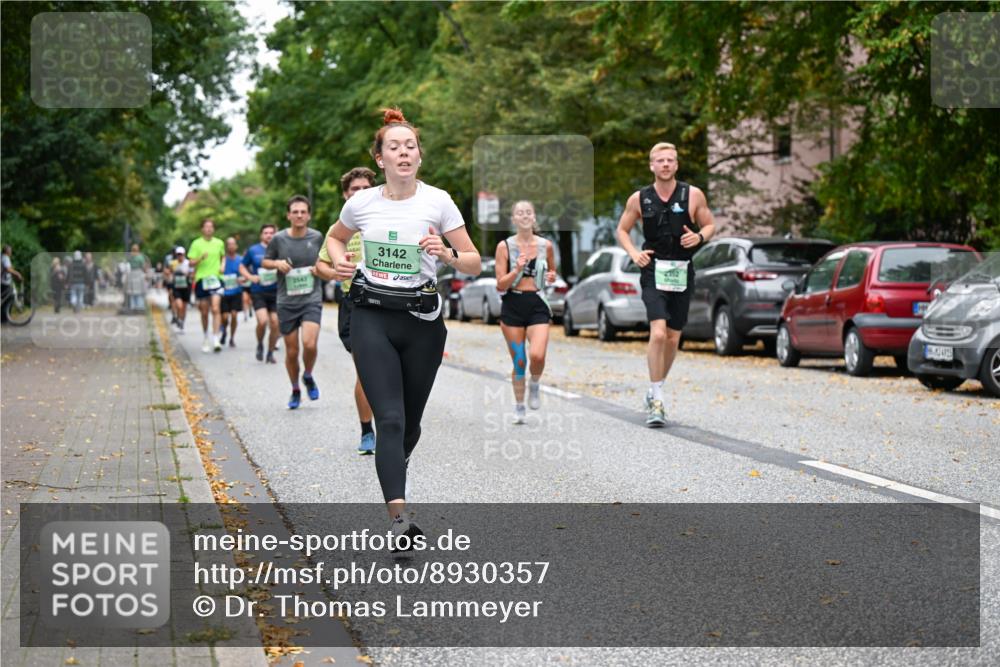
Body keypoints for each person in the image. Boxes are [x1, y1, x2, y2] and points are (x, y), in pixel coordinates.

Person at [324, 108, 480, 555]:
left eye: (410, 145)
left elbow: (473, 260)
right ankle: (399, 519)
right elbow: (336, 237)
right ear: (380, 159)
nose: (404, 152)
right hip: (372, 314)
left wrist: (446, 252)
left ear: (418, 156)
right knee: (388, 418)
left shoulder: (438, 201)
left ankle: (396, 461)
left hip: (422, 323)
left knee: (409, 425)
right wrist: (341, 259)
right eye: (394, 146)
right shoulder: (361, 203)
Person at [616, 142, 716, 427]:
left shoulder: (692, 194)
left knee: (673, 337)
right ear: (652, 165)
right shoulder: (639, 198)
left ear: (676, 165)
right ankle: (657, 398)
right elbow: (622, 230)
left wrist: (698, 238)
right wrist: (634, 253)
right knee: (658, 333)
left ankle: (654, 387)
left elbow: (710, 225)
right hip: (653, 269)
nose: (665, 165)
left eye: (670, 160)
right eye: (660, 160)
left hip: (682, 270)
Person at [315, 166, 377, 454]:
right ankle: (367, 431)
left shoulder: (389, 218)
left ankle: (393, 425)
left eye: (366, 189)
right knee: (366, 371)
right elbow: (320, 266)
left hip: (391, 300)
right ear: (345, 194)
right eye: (355, 190)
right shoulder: (339, 229)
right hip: (355, 302)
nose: (361, 194)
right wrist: (335, 272)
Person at [494, 201, 558, 424]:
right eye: (519, 212)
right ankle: (520, 405)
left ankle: (535, 383)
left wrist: (551, 277)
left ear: (534, 217)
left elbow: (551, 273)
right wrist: (517, 270)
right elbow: (501, 284)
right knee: (520, 361)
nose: (524, 215)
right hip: (512, 304)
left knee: (537, 356)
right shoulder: (505, 247)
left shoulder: (546, 246)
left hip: (537, 304)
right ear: (513, 219)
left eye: (528, 212)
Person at [263, 196, 323, 408]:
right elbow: (265, 261)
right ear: (288, 215)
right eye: (295, 212)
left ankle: (308, 374)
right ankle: (295, 389)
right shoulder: (278, 239)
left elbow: (324, 261)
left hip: (311, 299)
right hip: (287, 301)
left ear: (308, 215)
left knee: (309, 343)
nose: (299, 215)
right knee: (292, 351)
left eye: (303, 212)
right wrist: (277, 263)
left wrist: (319, 269)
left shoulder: (317, 237)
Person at [239, 224, 280, 363]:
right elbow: (242, 266)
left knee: (275, 323)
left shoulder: (280, 248)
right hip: (258, 291)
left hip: (276, 291)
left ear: (275, 234)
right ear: (261, 235)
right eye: (266, 233)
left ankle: (270, 352)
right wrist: (250, 277)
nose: (269, 235)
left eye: (271, 232)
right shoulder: (253, 250)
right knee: (262, 322)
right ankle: (260, 344)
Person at [188, 218, 226, 353]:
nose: (209, 229)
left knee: (216, 308)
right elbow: (191, 262)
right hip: (202, 280)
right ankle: (205, 337)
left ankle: (216, 338)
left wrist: (222, 266)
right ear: (202, 229)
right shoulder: (196, 243)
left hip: (216, 279)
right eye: (206, 227)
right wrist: (200, 259)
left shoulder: (219, 243)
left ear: (213, 229)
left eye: (211, 227)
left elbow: (223, 257)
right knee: (204, 311)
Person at [219, 237, 244, 347]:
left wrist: (242, 279)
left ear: (236, 246)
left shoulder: (241, 259)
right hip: (224, 292)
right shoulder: (222, 260)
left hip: (236, 292)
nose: (231, 246)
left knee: (234, 315)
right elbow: (218, 272)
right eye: (229, 244)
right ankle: (224, 330)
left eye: (233, 244)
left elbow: (246, 274)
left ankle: (232, 338)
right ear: (226, 246)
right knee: (224, 317)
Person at [167, 247, 192, 332]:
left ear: (184, 254)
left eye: (181, 254)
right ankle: (178, 317)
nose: (179, 256)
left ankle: (182, 322)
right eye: (178, 254)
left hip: (186, 286)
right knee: (179, 305)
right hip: (176, 286)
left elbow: (193, 274)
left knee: (184, 307)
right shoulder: (173, 263)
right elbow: (168, 272)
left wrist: (187, 274)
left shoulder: (188, 263)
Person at [1, 245, 24, 322]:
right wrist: (17, 274)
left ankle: (4, 318)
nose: (11, 252)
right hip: (4, 282)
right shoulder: (5, 258)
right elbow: (7, 269)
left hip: (3, 281)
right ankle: (5, 318)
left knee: (5, 299)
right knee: (9, 298)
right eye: (10, 250)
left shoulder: (2, 257)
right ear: (7, 251)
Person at [126, 243, 149, 312]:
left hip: (132, 274)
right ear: (138, 249)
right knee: (140, 291)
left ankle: (133, 306)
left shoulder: (129, 257)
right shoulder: (140, 257)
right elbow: (144, 267)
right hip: (139, 273)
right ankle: (139, 306)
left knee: (132, 291)